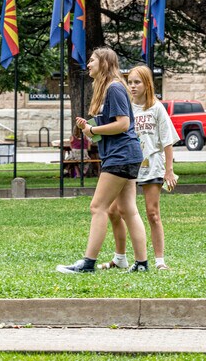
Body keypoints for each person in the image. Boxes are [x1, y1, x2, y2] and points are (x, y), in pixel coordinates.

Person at [56, 47, 148, 274]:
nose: (88, 64)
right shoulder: (112, 88)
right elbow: (114, 127)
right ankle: (142, 264)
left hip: (121, 155)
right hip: (127, 153)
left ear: (104, 63)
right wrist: (88, 129)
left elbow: (123, 124)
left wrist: (93, 128)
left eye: (92, 60)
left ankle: (88, 263)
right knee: (128, 210)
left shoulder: (114, 88)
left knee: (98, 207)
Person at [99, 66, 179, 271]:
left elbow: (167, 141)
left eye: (137, 82)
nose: (133, 86)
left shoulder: (156, 108)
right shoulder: (125, 107)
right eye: (130, 82)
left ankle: (160, 261)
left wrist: (169, 170)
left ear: (147, 84)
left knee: (153, 213)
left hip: (152, 166)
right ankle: (120, 258)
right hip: (128, 164)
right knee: (114, 211)